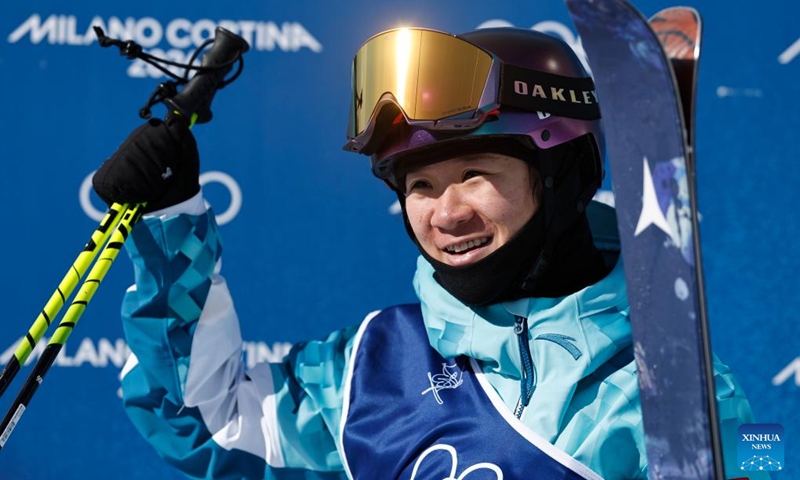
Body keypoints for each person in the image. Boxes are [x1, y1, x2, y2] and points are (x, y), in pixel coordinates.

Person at [93, 27, 760, 479]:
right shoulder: (373, 365)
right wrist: (169, 219)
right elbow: (206, 419)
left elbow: (770, 461)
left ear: (561, 176)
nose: (446, 212)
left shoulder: (674, 385)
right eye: (421, 185)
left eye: (475, 173)